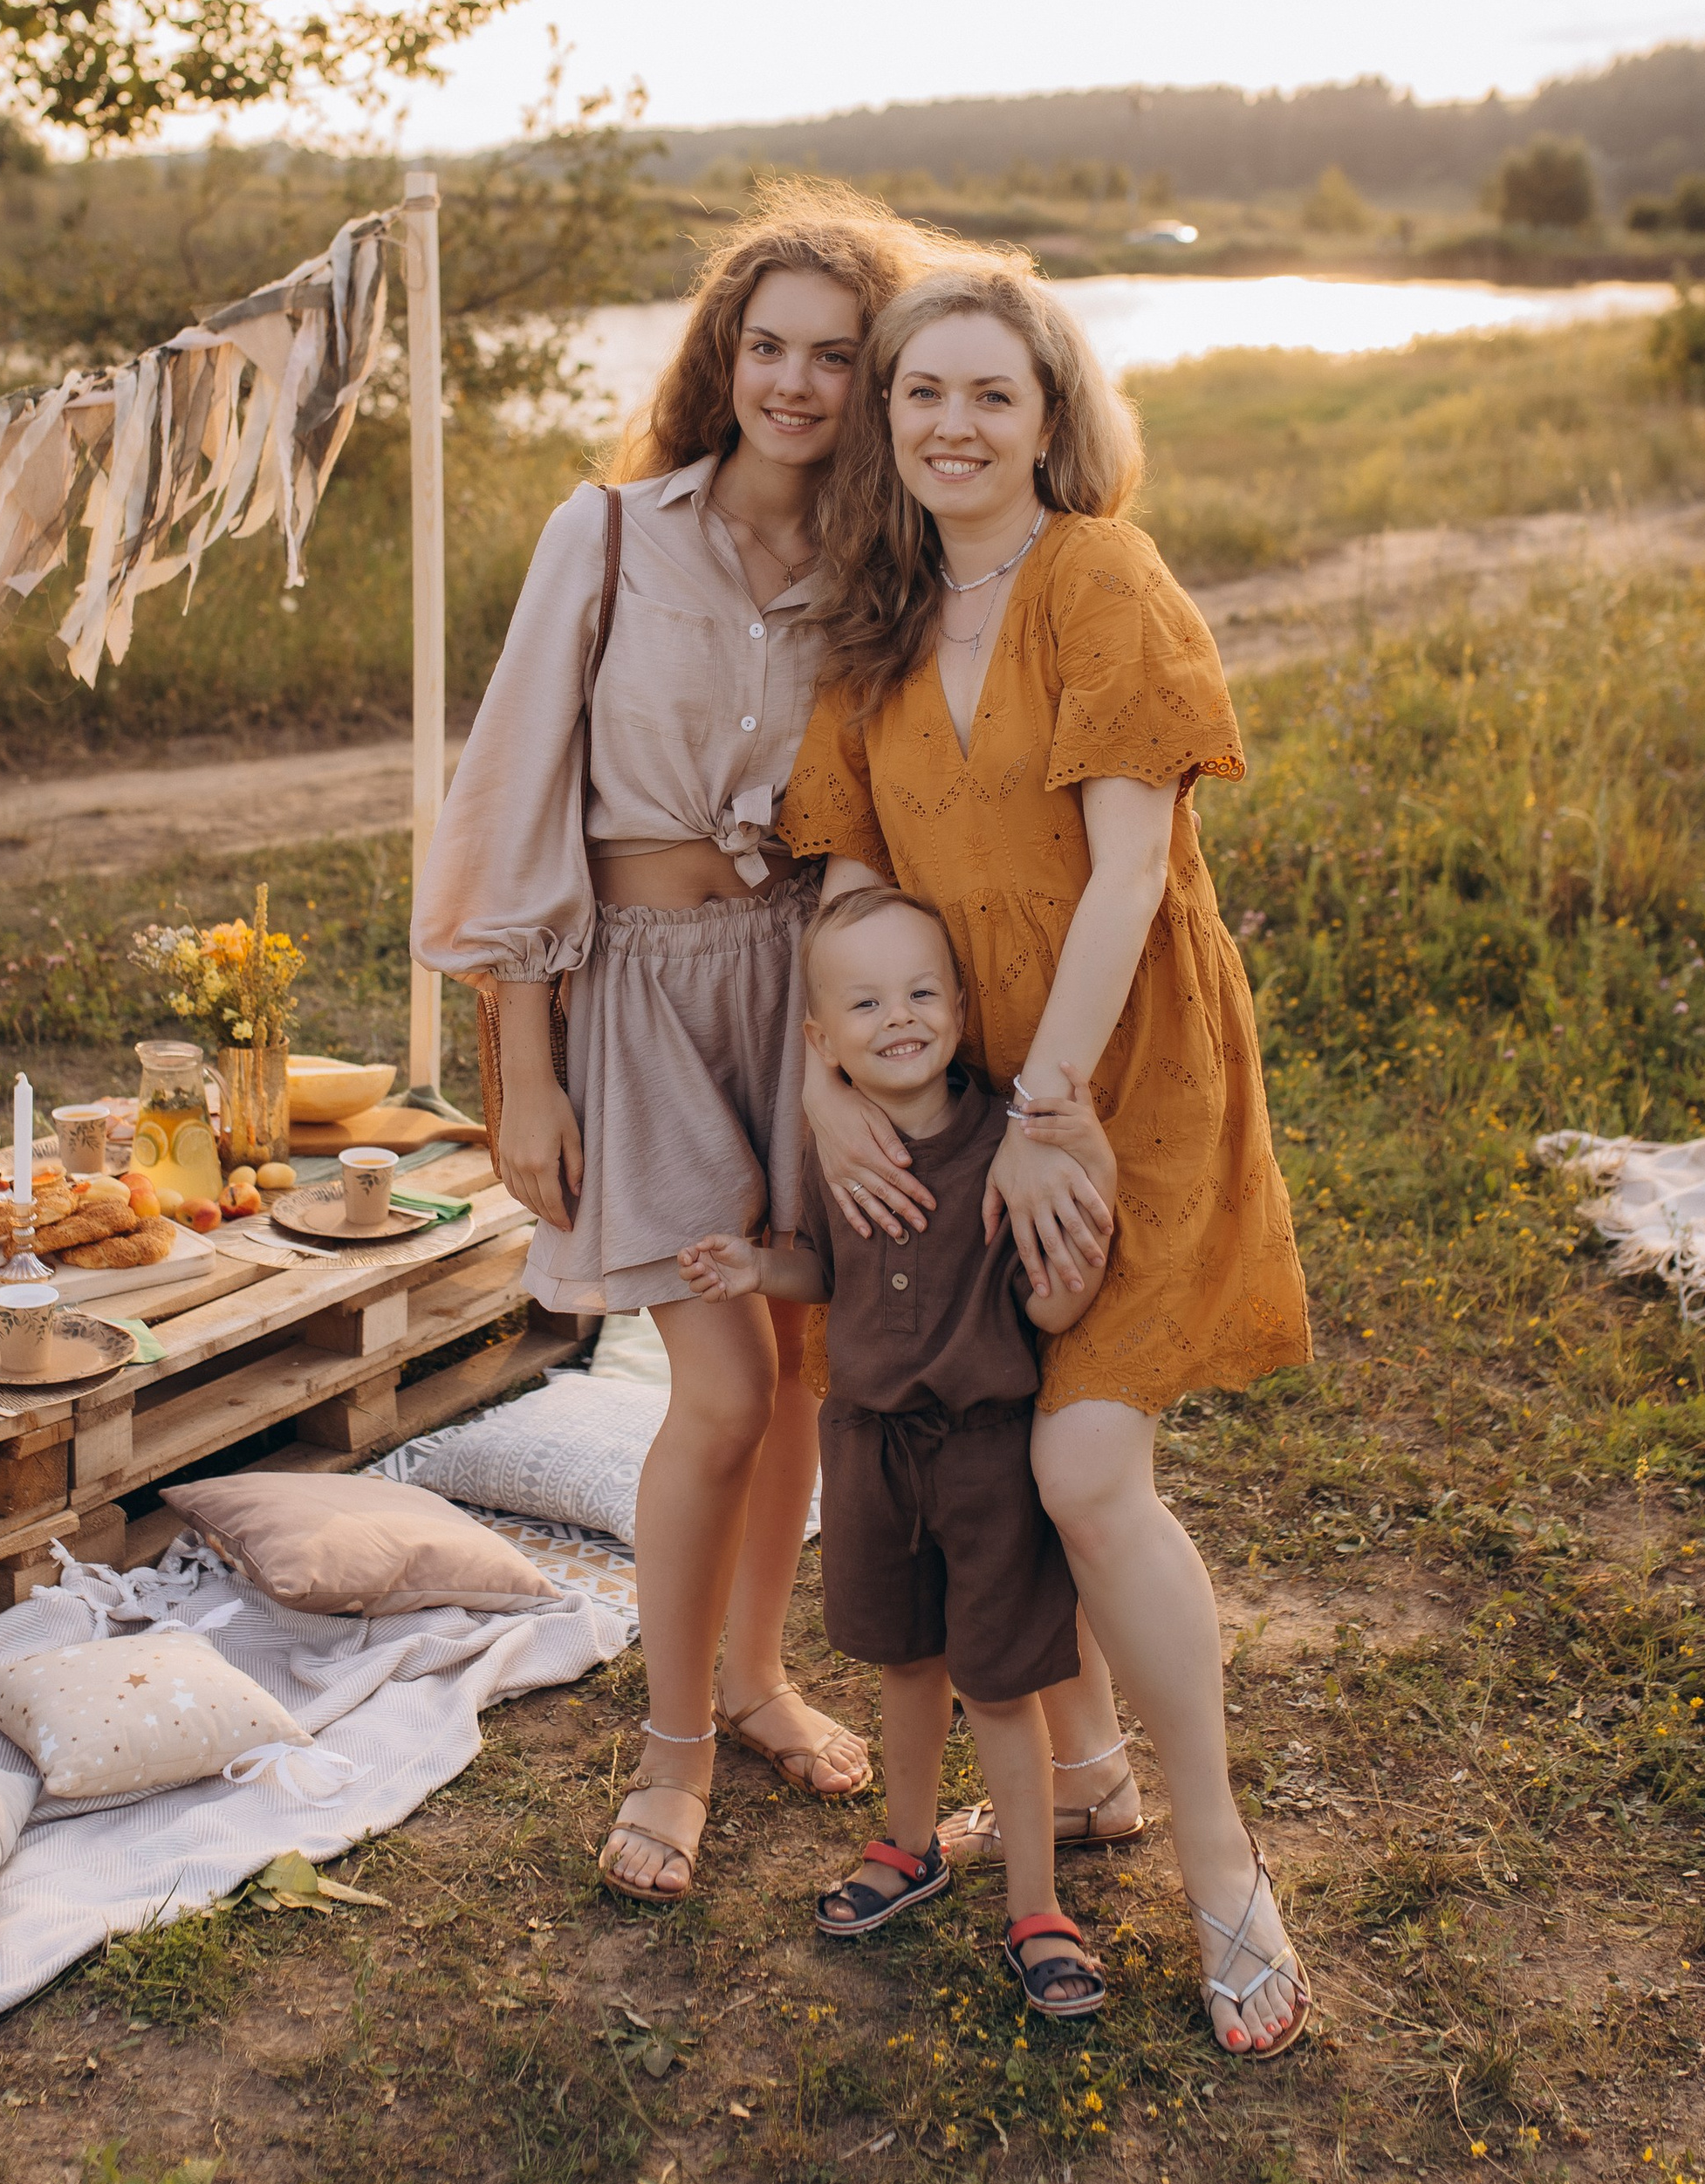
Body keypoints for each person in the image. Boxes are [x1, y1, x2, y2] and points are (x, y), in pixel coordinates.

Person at [782, 257, 1315, 2057]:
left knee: (1085, 1462)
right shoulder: (874, 623)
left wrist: (1052, 1112)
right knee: (998, 1437)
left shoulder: (1098, 578)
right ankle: (1081, 1780)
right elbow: (847, 882)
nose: (948, 423)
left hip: (1118, 1075)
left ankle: (1222, 1859)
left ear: (1046, 417)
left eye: (987, 395)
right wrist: (833, 1081)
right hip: (970, 1094)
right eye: (918, 392)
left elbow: (1127, 873)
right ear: (887, 417)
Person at [411, 182, 932, 1903]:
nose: (794, 383)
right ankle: (672, 1745)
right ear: (723, 357)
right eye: (765, 347)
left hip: (804, 992)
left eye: (833, 357)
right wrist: (528, 1066)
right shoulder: (614, 532)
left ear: (876, 378)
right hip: (634, 988)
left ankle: (762, 1677)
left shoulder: (885, 561)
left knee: (794, 1371)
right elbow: (509, 798)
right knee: (711, 1389)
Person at [680, 882, 1114, 2014]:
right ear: (822, 1044)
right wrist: (757, 1270)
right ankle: (908, 1845)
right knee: (905, 1665)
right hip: (867, 1451)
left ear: (962, 1011)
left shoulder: (1002, 1154)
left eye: (922, 991)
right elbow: (826, 1272)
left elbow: (1052, 1308)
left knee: (1001, 1687)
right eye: (866, 1004)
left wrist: (1084, 1255)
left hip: (983, 1456)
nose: (900, 1017)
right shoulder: (842, 1153)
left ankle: (1035, 1903)